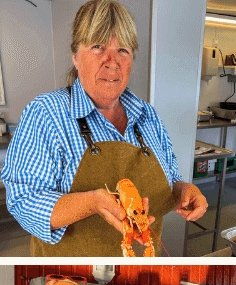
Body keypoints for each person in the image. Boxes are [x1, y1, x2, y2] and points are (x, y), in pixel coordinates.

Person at [0, 0, 208, 256]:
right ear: (75, 56)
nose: (112, 62)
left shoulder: (148, 115)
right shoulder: (46, 113)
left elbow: (172, 177)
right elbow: (22, 201)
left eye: (123, 50)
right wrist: (92, 202)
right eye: (98, 47)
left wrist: (184, 190)